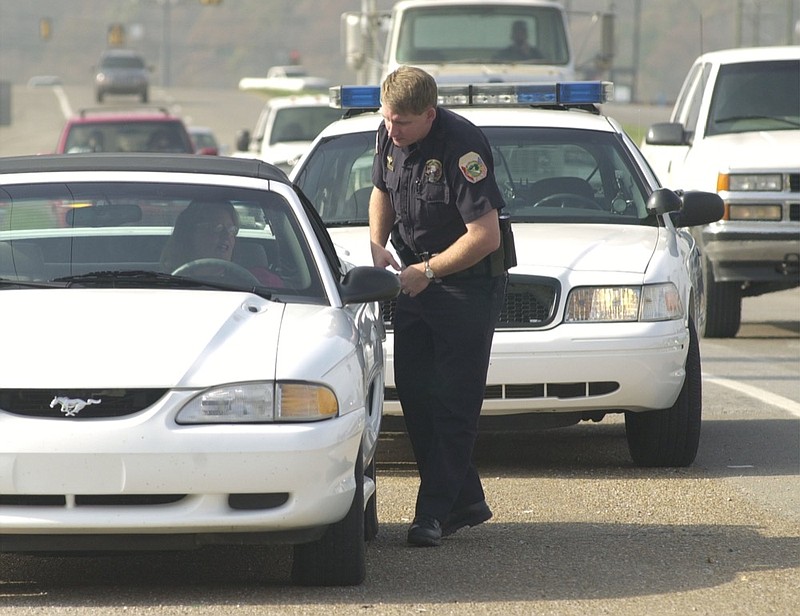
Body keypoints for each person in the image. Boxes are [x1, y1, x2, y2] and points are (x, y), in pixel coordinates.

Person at [369, 66, 507, 547]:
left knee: (453, 404)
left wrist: (427, 272)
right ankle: (465, 501)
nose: (392, 131)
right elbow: (382, 190)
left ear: (429, 114)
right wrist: (376, 241)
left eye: (402, 123)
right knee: (415, 395)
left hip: (465, 288)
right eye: (387, 120)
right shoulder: (390, 133)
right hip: (414, 281)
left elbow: (485, 237)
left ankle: (431, 515)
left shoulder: (462, 147)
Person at [160, 200, 282, 286]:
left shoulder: (261, 280)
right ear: (190, 234)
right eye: (216, 228)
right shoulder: (163, 281)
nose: (226, 236)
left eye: (231, 230)